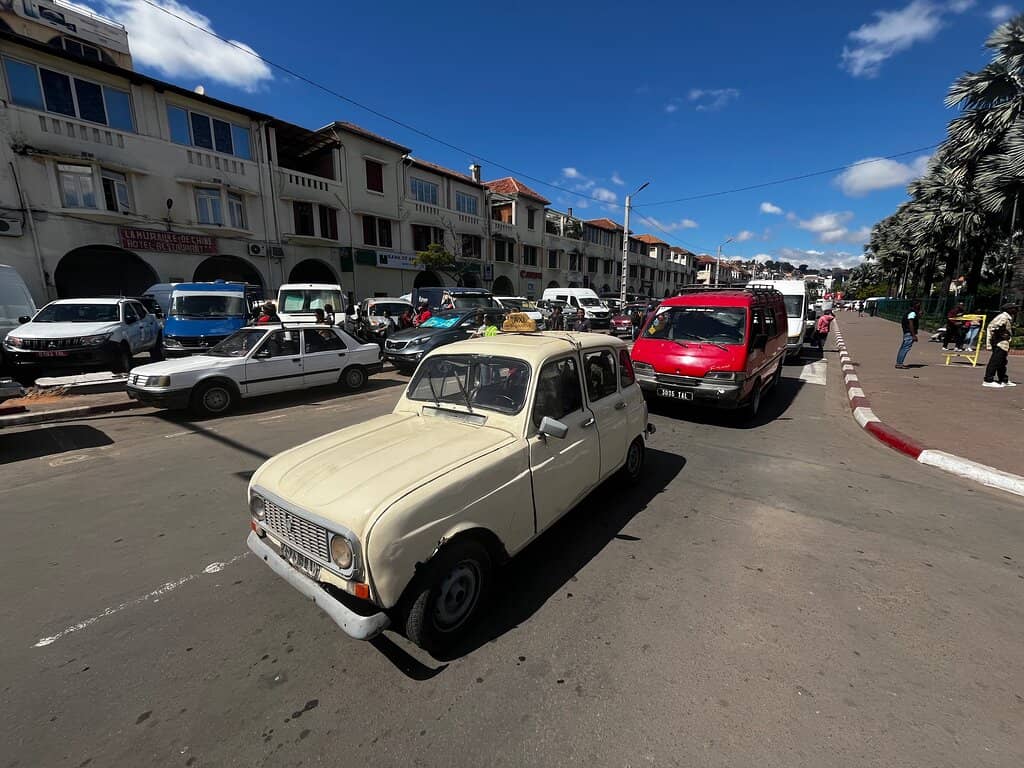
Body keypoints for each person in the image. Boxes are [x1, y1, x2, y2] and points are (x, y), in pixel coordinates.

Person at [983, 302, 1018, 388]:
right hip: (999, 342)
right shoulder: (1003, 317)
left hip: (1003, 343)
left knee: (1002, 362)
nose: (1016, 310)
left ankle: (1003, 379)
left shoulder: (1007, 317)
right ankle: (988, 380)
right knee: (995, 361)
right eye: (1014, 308)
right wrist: (1000, 334)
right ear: (1008, 309)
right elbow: (992, 327)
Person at [895, 301, 921, 369]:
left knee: (903, 348)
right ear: (915, 305)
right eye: (918, 304)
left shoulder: (910, 312)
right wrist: (913, 335)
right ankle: (899, 363)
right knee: (905, 348)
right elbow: (911, 323)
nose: (919, 306)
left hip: (907, 332)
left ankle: (899, 363)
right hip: (909, 333)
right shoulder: (912, 313)